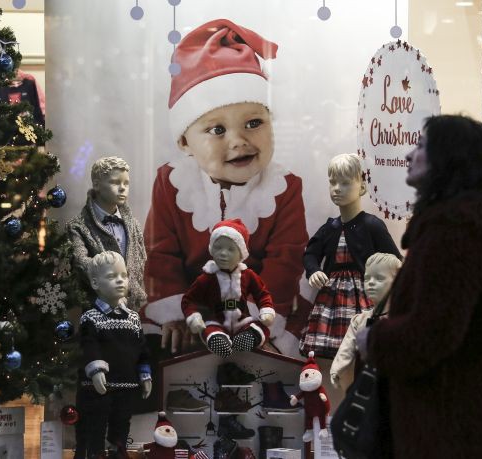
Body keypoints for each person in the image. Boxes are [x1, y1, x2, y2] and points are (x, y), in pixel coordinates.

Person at [357, 115, 482, 458]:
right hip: (466, 420)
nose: (409, 155)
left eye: (421, 146)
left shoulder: (448, 236)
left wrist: (373, 340)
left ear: (446, 158)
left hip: (444, 425)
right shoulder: (467, 230)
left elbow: (434, 331)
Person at [142, 18, 310, 357]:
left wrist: (257, 318)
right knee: (160, 345)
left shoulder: (285, 187)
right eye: (217, 130)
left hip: (258, 305)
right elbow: (161, 255)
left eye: (254, 123)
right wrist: (175, 313)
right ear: (185, 142)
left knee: (291, 331)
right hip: (195, 308)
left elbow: (286, 259)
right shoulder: (170, 182)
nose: (239, 141)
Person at [300, 153, 401, 359]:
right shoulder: (330, 227)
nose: (337, 188)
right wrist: (314, 270)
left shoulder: (371, 225)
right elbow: (311, 253)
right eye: (333, 183)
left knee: (364, 346)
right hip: (332, 297)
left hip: (363, 293)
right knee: (334, 355)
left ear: (361, 187)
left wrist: (388, 284)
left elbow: (394, 259)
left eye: (345, 183)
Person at [75, 251, 152, 459]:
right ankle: (95, 452)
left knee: (122, 420)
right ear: (95, 283)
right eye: (111, 276)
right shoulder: (91, 317)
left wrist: (144, 374)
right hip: (98, 387)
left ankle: (119, 449)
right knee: (95, 420)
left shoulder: (133, 318)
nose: (120, 281)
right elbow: (89, 346)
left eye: (124, 275)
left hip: (126, 384)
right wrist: (96, 369)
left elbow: (142, 349)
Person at [181, 219, 275, 358]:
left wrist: (266, 310)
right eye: (218, 248)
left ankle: (247, 339)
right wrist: (194, 317)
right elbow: (189, 300)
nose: (223, 253)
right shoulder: (207, 278)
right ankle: (219, 342)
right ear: (211, 249)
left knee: (261, 328)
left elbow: (262, 294)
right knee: (209, 331)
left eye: (231, 249)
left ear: (241, 254)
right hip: (217, 321)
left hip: (243, 320)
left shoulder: (248, 275)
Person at [68, 156, 146, 309]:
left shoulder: (133, 225)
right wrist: (110, 289)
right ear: (96, 185)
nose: (122, 188)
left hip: (132, 310)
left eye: (126, 183)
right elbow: (81, 263)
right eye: (115, 182)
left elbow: (140, 261)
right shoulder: (78, 226)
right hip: (97, 310)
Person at [330, 253, 402, 391]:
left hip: (393, 388)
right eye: (367, 278)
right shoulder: (360, 320)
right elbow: (346, 348)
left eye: (379, 278)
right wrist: (336, 369)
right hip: (364, 388)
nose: (371, 283)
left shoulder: (400, 319)